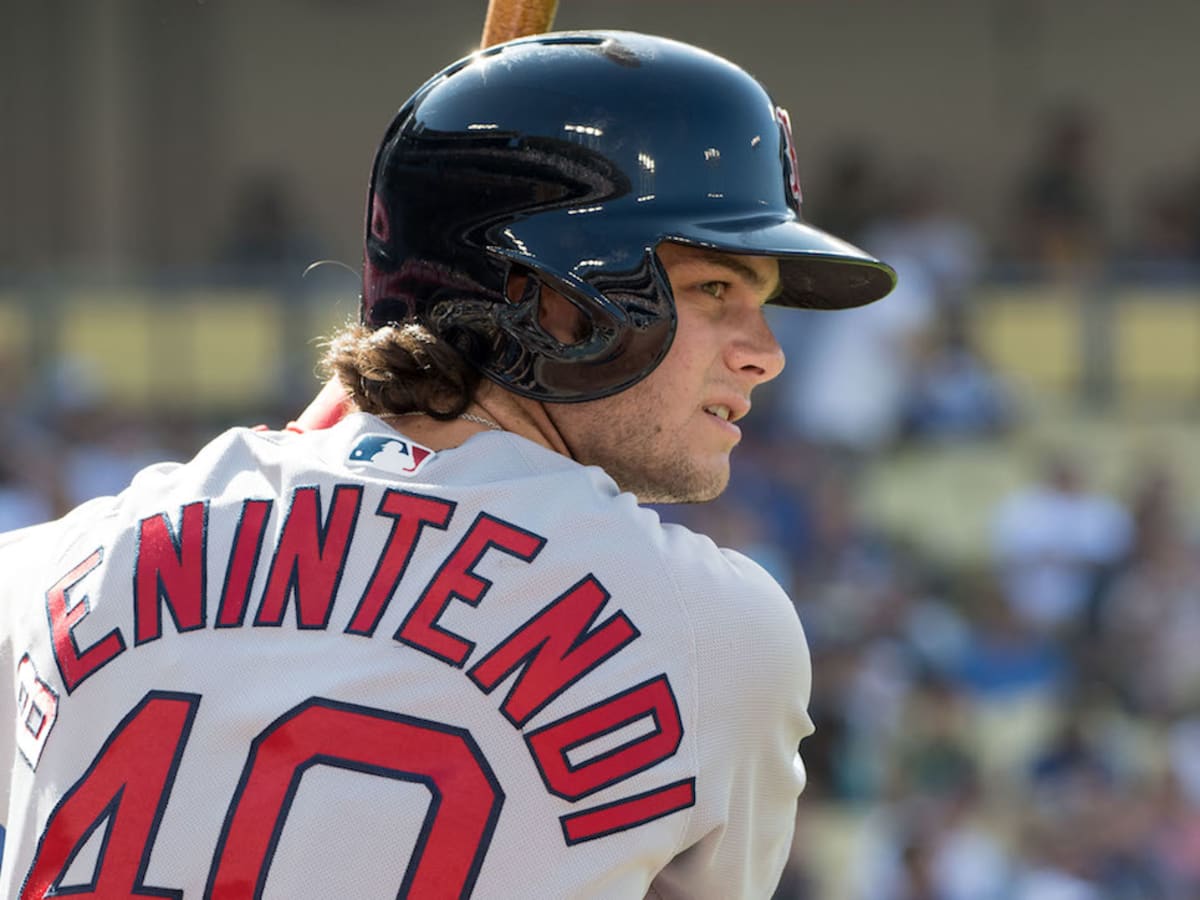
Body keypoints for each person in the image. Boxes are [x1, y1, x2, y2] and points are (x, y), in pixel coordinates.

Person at [0, 31, 894, 899]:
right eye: (715, 289)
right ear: (550, 299)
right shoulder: (714, 629)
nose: (765, 353)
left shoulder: (58, 566)